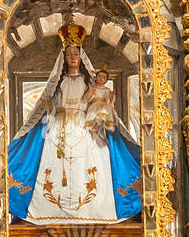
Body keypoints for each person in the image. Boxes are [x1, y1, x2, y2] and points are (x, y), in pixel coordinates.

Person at [7, 24, 141, 224]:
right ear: (64, 58)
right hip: (59, 127)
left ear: (80, 58)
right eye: (68, 54)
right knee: (54, 165)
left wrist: (101, 109)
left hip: (83, 125)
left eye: (75, 54)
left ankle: (89, 210)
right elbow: (52, 106)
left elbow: (94, 102)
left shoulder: (89, 83)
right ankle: (53, 210)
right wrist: (50, 107)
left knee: (90, 163)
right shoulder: (58, 82)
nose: (72, 57)